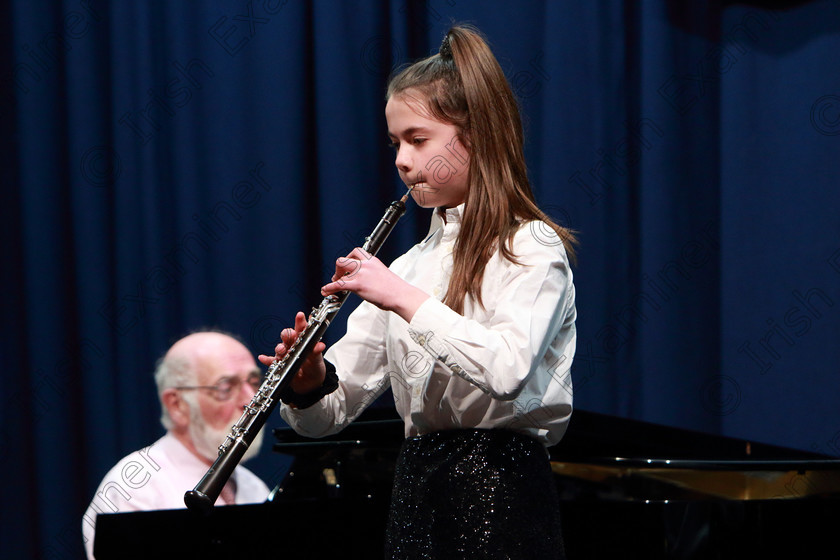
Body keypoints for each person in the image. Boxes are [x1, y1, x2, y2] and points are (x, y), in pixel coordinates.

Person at [260, 25, 576, 559]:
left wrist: (401, 297)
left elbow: (506, 369)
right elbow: (325, 418)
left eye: (418, 139)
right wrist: (308, 382)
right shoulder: (408, 266)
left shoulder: (530, 244)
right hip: (416, 494)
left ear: (475, 136)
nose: (403, 161)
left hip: (503, 491)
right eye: (396, 144)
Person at [82, 331, 270, 559]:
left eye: (254, 382)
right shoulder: (132, 486)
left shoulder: (254, 487)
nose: (250, 400)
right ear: (176, 405)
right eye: (226, 387)